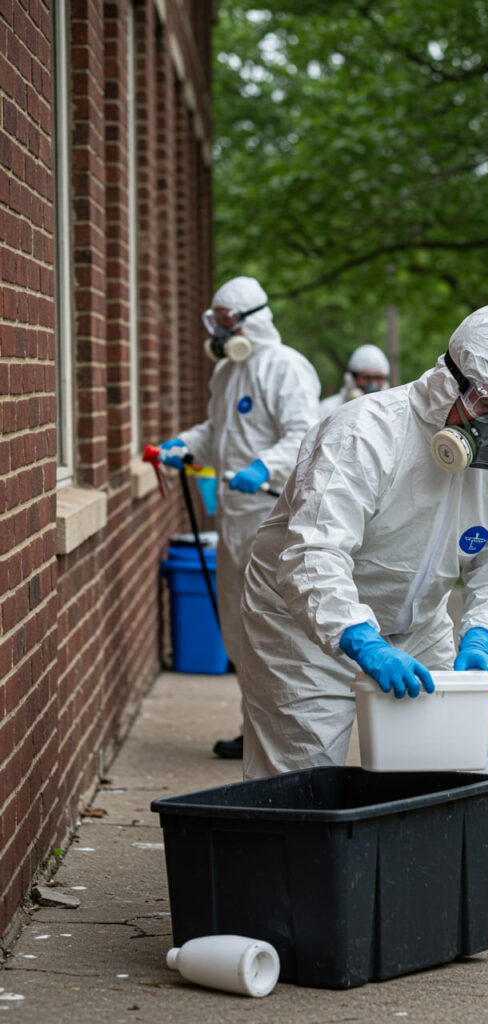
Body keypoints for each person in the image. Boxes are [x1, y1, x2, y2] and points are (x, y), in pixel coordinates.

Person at [238, 304, 488, 940]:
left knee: (456, 755)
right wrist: (358, 639)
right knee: (304, 760)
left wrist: (486, 636)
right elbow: (314, 553)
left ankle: (484, 885)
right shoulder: (363, 432)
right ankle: (289, 899)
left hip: (417, 618)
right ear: (449, 384)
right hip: (302, 617)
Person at [158, 276, 321, 759]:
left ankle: (292, 736)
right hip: (232, 520)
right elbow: (218, 429)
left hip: (274, 518)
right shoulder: (227, 374)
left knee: (276, 630)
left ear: (253, 321)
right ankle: (253, 730)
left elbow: (305, 434)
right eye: (218, 323)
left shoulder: (286, 368)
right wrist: (183, 445)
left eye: (228, 323)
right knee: (238, 627)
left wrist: (262, 465)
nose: (221, 332)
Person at [319, 343, 390, 418]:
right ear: (351, 379)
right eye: (366, 378)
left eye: (378, 378)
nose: (373, 384)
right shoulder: (327, 410)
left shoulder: (391, 412)